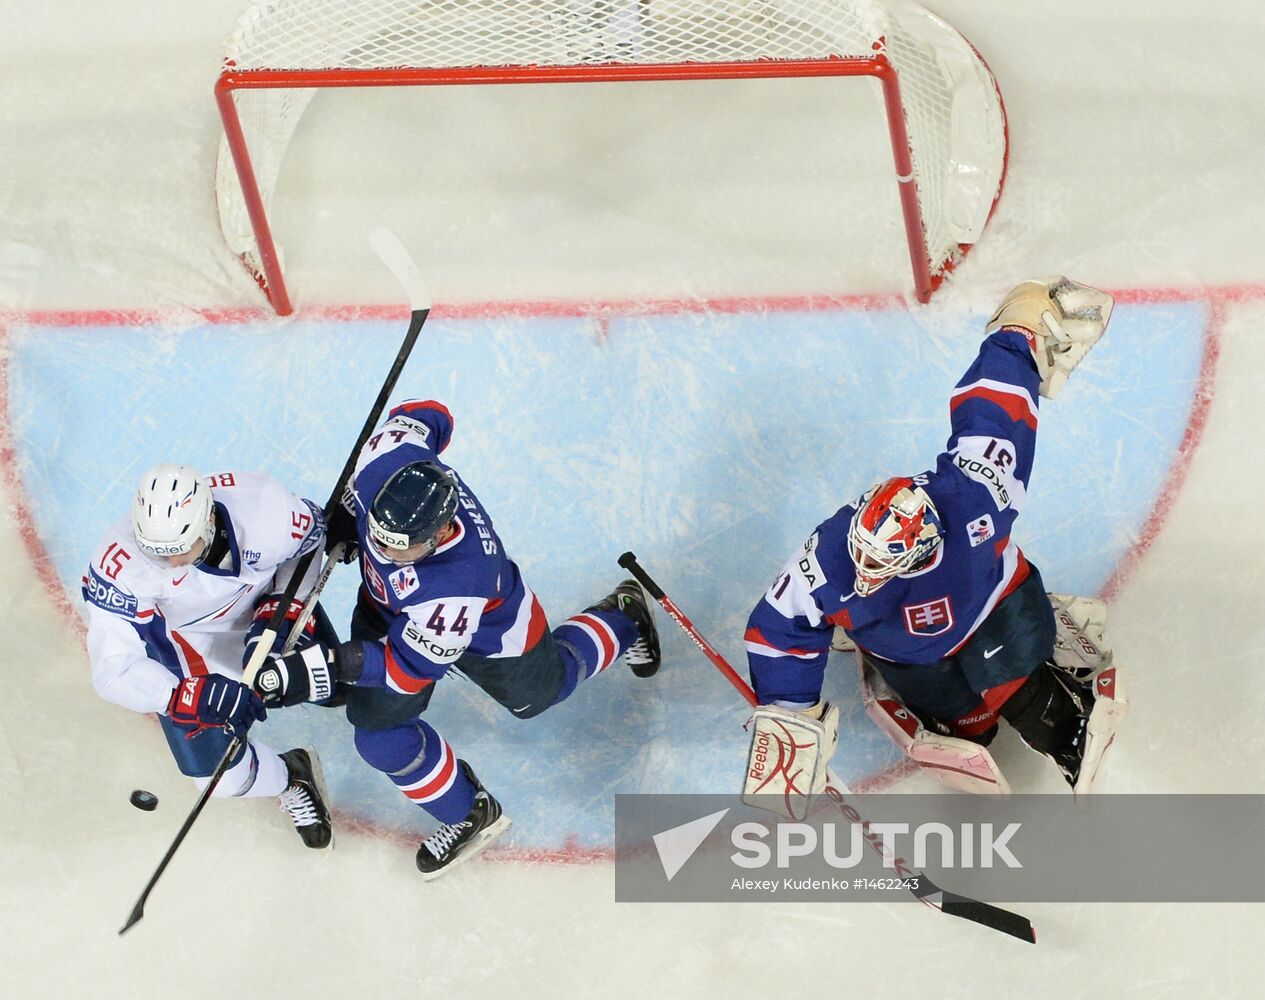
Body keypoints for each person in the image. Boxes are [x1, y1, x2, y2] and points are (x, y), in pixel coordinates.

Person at [741, 277, 1127, 809]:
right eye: (864, 559)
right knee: (971, 729)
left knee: (1019, 689)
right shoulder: (831, 555)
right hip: (910, 655)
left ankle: (1061, 718)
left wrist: (1020, 327)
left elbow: (997, 409)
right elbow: (777, 625)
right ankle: (970, 716)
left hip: (993, 607)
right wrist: (792, 720)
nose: (865, 573)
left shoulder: (972, 496)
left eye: (882, 565)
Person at [253, 399, 661, 878]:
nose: (382, 550)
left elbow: (406, 672)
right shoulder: (388, 457)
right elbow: (429, 413)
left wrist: (326, 665)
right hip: (390, 610)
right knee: (377, 734)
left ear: (443, 529)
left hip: (491, 630)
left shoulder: (457, 580)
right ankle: (470, 811)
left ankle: (623, 616)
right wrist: (349, 514)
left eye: (397, 548)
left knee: (542, 692)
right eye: (378, 539)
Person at [83, 464, 335, 847]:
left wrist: (282, 609)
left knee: (338, 688)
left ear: (209, 521)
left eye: (182, 550)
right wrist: (179, 696)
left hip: (263, 612)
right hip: (185, 644)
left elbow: (309, 546)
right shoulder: (119, 567)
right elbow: (111, 669)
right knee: (220, 778)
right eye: (159, 554)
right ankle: (291, 775)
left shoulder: (266, 510)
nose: (172, 565)